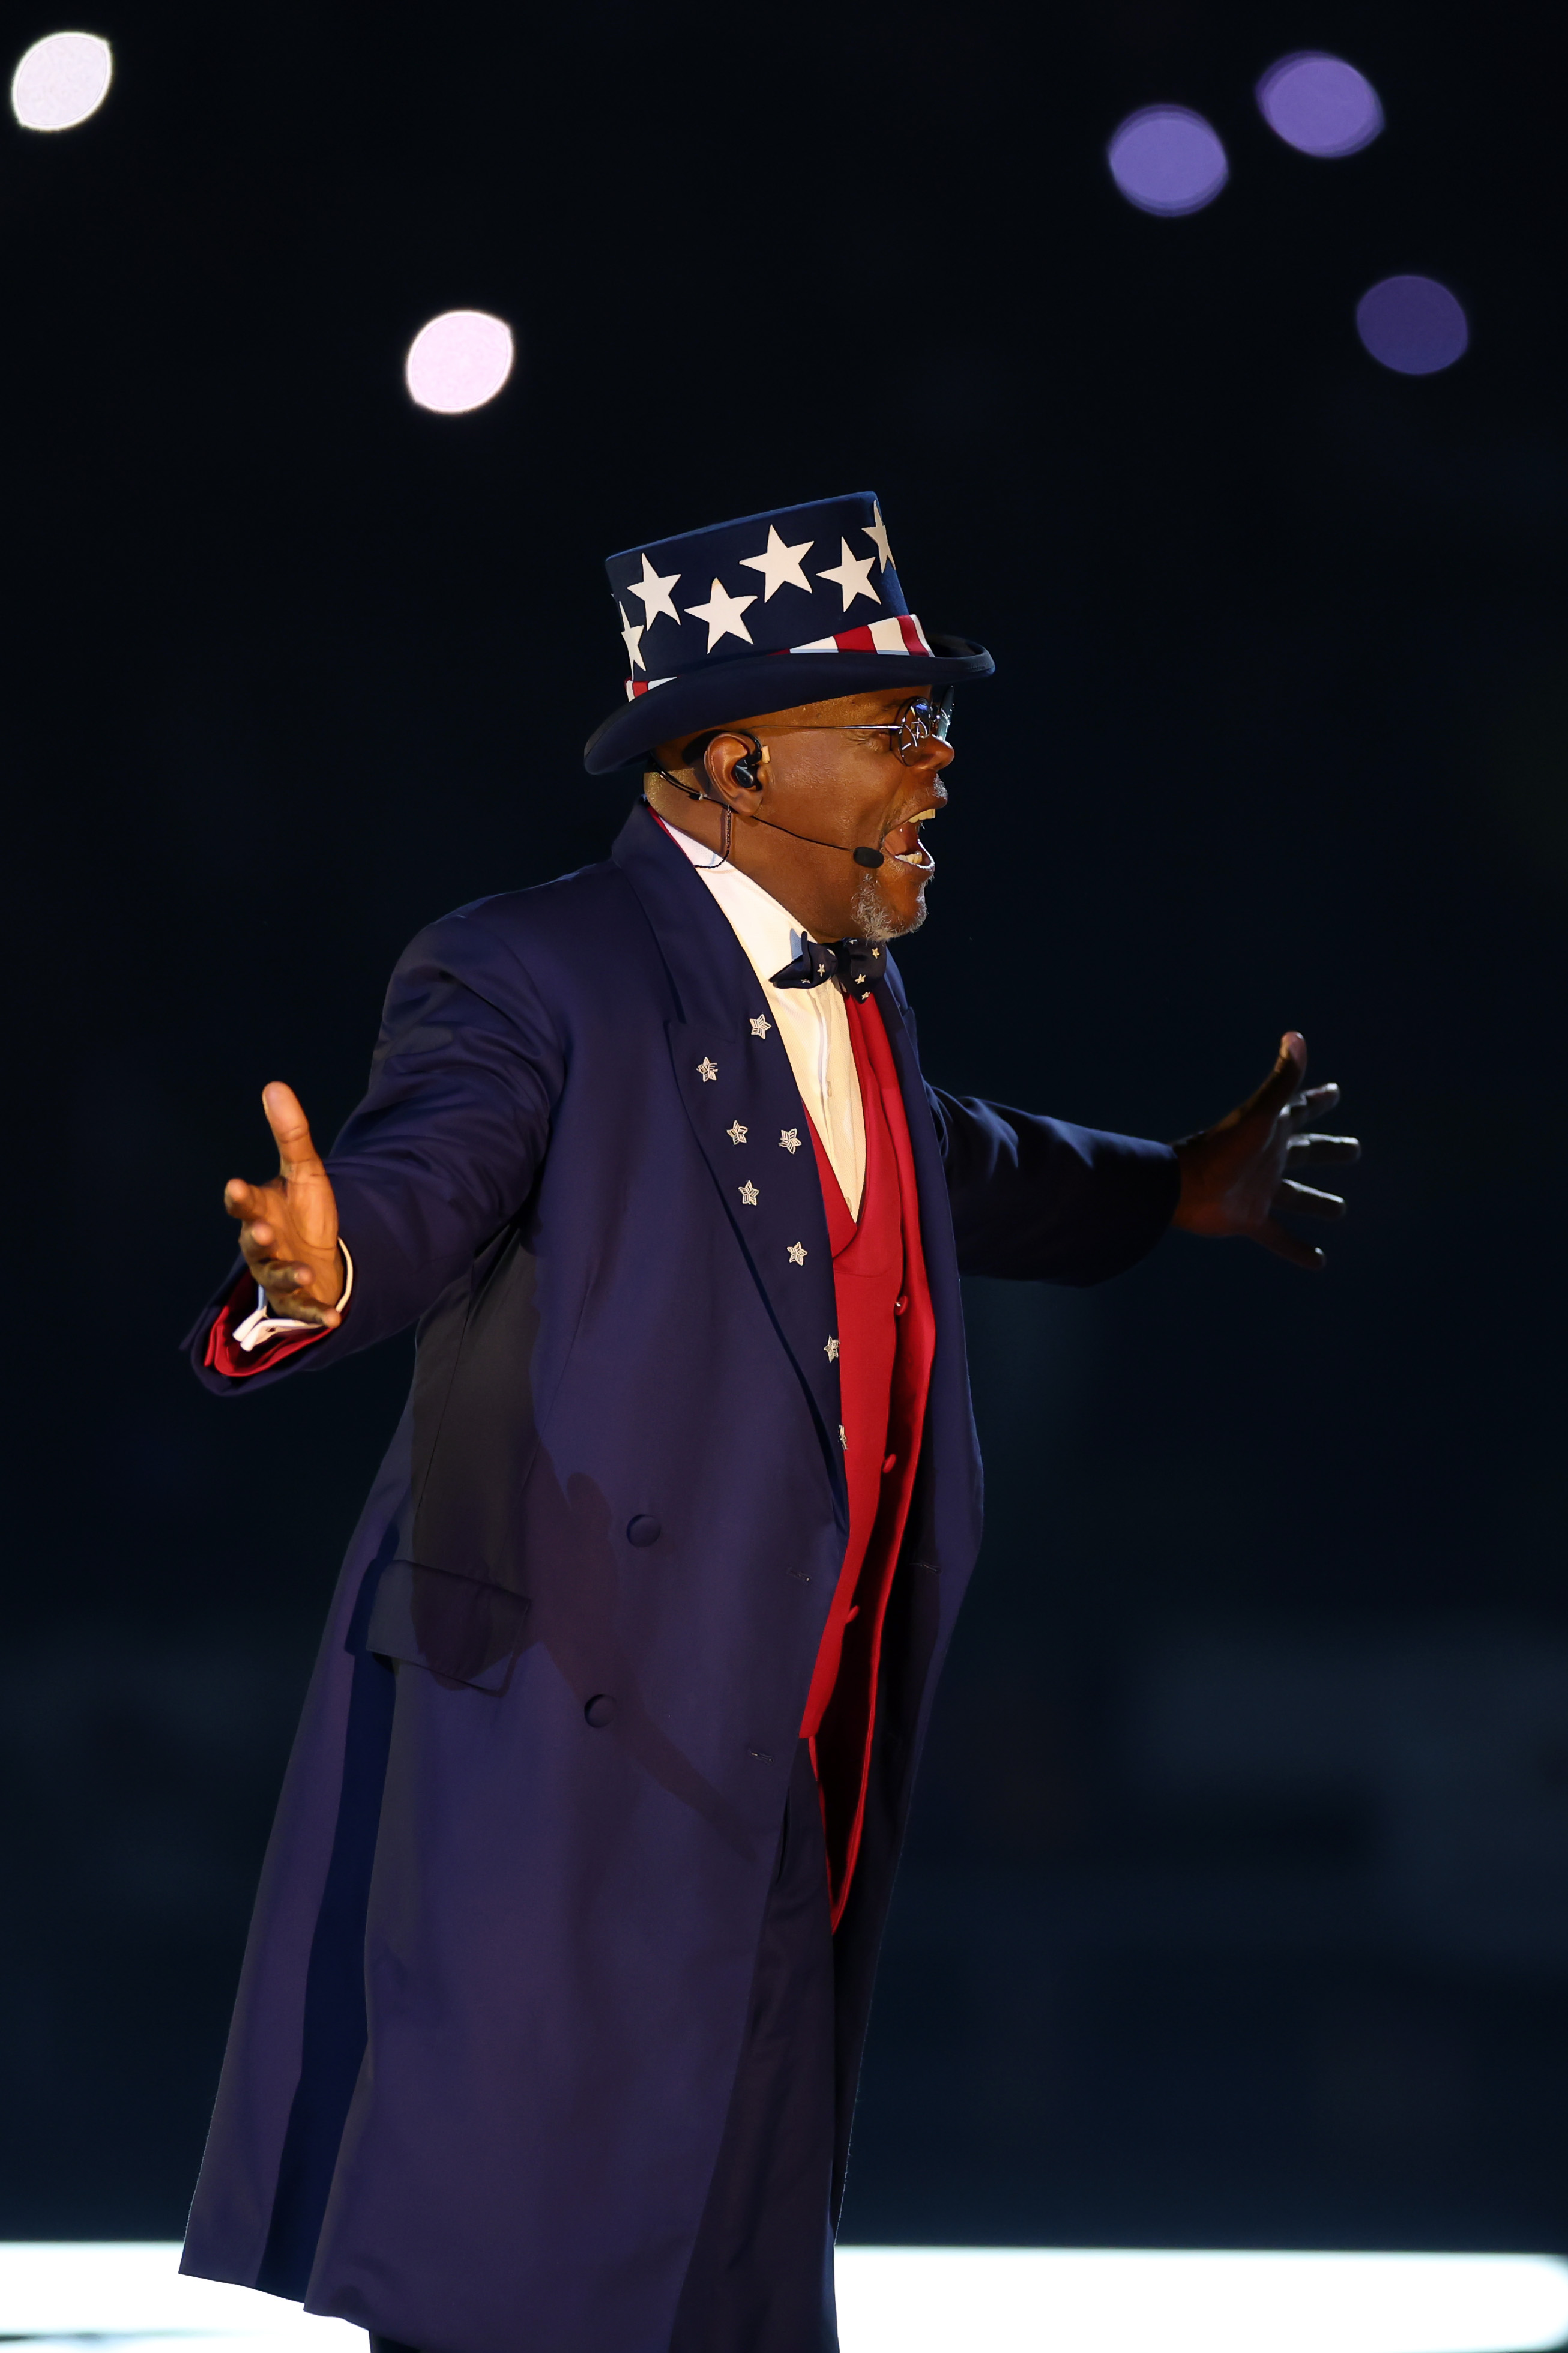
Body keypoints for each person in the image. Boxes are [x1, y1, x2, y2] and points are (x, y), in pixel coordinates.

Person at [179, 493, 1357, 2353]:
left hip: (786, 1723)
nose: (940, 770)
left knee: (726, 2246)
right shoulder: (532, 965)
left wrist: (1171, 1189)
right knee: (525, 2248)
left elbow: (943, 1165)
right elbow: (428, 1175)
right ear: (732, 760)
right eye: (896, 732)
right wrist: (318, 1281)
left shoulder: (852, 986)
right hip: (577, 1708)